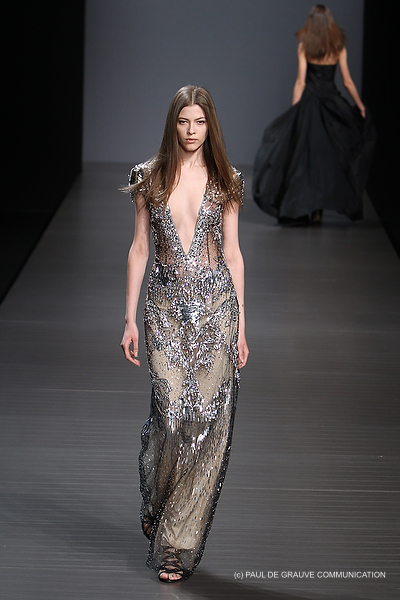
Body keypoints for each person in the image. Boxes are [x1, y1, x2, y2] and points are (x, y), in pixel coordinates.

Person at [121, 85, 249, 582]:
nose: (192, 131)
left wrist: (242, 324)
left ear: (209, 124)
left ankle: (175, 543)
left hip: (217, 311)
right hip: (164, 312)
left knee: (205, 425)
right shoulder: (148, 177)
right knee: (170, 415)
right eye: (183, 121)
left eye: (199, 121)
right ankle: (156, 499)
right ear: (172, 124)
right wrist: (129, 318)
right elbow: (139, 248)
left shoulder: (227, 180)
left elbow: (233, 253)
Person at [253, 4, 375, 225]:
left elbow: (301, 82)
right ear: (330, 23)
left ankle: (307, 206)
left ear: (310, 23)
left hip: (309, 106)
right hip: (332, 106)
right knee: (331, 158)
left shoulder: (305, 47)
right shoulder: (338, 47)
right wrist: (360, 105)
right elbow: (347, 81)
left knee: (306, 160)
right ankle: (320, 208)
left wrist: (294, 110)